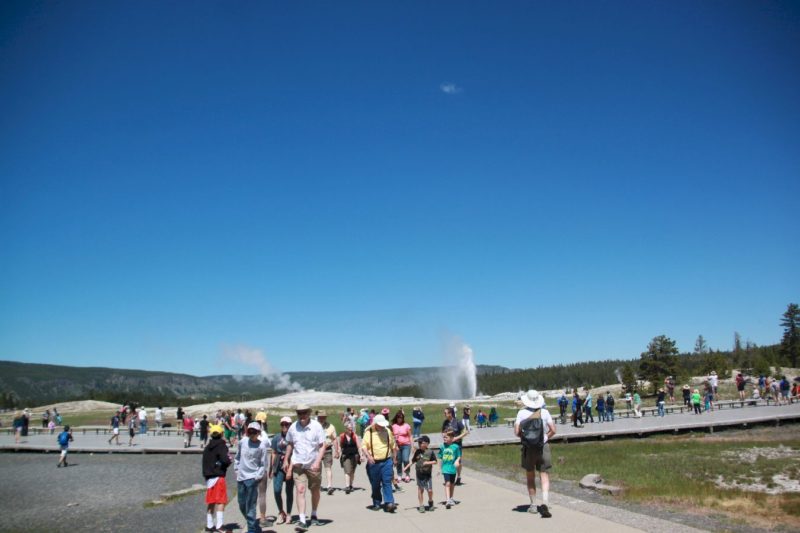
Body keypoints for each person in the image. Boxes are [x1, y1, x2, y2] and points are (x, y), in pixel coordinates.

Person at [514, 389, 555, 518]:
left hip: (529, 448)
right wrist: (545, 438)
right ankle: (545, 502)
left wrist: (525, 438)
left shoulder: (521, 413)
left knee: (530, 476)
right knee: (544, 474)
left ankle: (532, 505)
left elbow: (516, 432)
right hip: (543, 446)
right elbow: (553, 430)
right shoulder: (545, 412)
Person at [284, 405, 326, 531]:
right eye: (299, 413)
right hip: (298, 464)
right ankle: (302, 520)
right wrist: (286, 459)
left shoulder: (316, 426)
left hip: (313, 464)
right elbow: (290, 444)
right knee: (300, 490)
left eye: (304, 413)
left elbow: (322, 445)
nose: (302, 416)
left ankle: (313, 514)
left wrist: (318, 461)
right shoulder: (293, 427)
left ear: (309, 413)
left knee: (315, 490)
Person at [235, 422, 269, 533]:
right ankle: (254, 524)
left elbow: (263, 464)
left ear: (258, 433)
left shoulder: (261, 446)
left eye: (254, 432)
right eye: (250, 432)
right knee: (241, 504)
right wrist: (236, 469)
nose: (252, 434)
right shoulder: (243, 442)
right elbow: (237, 457)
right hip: (241, 477)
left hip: (252, 478)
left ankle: (251, 530)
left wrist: (257, 477)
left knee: (251, 506)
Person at [362, 414, 397, 513]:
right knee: (375, 484)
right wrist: (368, 457)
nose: (382, 426)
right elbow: (364, 446)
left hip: (387, 461)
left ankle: (389, 502)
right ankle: (377, 502)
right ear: (376, 424)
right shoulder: (369, 432)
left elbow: (393, 445)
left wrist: (394, 458)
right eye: (380, 425)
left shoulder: (387, 431)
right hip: (374, 463)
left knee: (387, 481)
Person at [203, 423, 231, 533]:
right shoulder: (221, 445)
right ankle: (220, 526)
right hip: (218, 476)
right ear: (221, 434)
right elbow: (225, 460)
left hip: (209, 478)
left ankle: (209, 525)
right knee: (220, 502)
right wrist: (227, 462)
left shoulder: (207, 447)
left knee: (211, 501)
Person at [270, 416, 294, 525]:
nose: (284, 426)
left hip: (291, 466)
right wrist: (271, 468)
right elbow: (274, 453)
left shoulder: (294, 437)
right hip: (278, 466)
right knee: (277, 490)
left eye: (287, 424)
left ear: (290, 425)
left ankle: (289, 513)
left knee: (289, 491)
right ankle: (281, 512)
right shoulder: (276, 438)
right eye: (282, 424)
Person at [408, 435, 436, 512]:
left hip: (428, 474)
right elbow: (413, 461)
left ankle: (430, 501)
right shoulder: (417, 451)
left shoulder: (430, 452)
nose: (420, 444)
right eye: (419, 443)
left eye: (421, 443)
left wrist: (428, 462)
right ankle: (421, 505)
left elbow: (435, 461)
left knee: (429, 490)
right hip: (419, 474)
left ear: (427, 443)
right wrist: (407, 466)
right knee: (421, 489)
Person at [440, 407, 467, 485]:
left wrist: (455, 438)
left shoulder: (457, 422)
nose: (444, 414)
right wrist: (444, 438)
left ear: (450, 413)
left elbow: (465, 432)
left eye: (445, 413)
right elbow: (442, 432)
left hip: (457, 444)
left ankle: (458, 477)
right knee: (448, 459)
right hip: (448, 445)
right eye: (444, 413)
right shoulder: (445, 422)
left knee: (458, 461)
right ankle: (449, 476)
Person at [316, 411, 338, 496]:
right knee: (317, 469)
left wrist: (337, 451)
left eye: (323, 417)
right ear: (317, 417)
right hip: (317, 450)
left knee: (328, 468)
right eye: (320, 417)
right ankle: (318, 485)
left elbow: (334, 439)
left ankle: (329, 486)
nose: (321, 419)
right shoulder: (314, 426)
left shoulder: (330, 427)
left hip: (327, 449)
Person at [438, 430, 461, 509]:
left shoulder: (456, 447)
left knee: (452, 484)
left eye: (446, 437)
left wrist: (457, 461)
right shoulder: (442, 446)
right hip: (445, 468)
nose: (444, 438)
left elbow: (458, 456)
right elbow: (440, 458)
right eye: (443, 437)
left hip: (453, 468)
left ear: (451, 438)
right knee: (447, 483)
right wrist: (439, 469)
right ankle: (447, 500)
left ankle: (451, 498)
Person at [339, 421, 363, 494]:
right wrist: (339, 453)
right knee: (347, 471)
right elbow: (340, 446)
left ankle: (351, 485)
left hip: (354, 456)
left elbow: (359, 447)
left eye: (351, 429)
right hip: (346, 456)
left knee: (352, 471)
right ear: (345, 429)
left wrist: (361, 455)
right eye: (349, 429)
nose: (350, 430)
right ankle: (347, 486)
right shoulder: (342, 436)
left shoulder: (354, 436)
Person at [391, 411, 413, 483]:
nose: (399, 419)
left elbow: (410, 436)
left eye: (401, 418)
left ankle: (407, 474)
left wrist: (412, 446)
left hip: (406, 445)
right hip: (397, 446)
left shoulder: (406, 425)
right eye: (398, 418)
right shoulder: (393, 426)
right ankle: (399, 474)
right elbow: (391, 436)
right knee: (399, 461)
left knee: (406, 459)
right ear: (396, 418)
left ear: (403, 418)